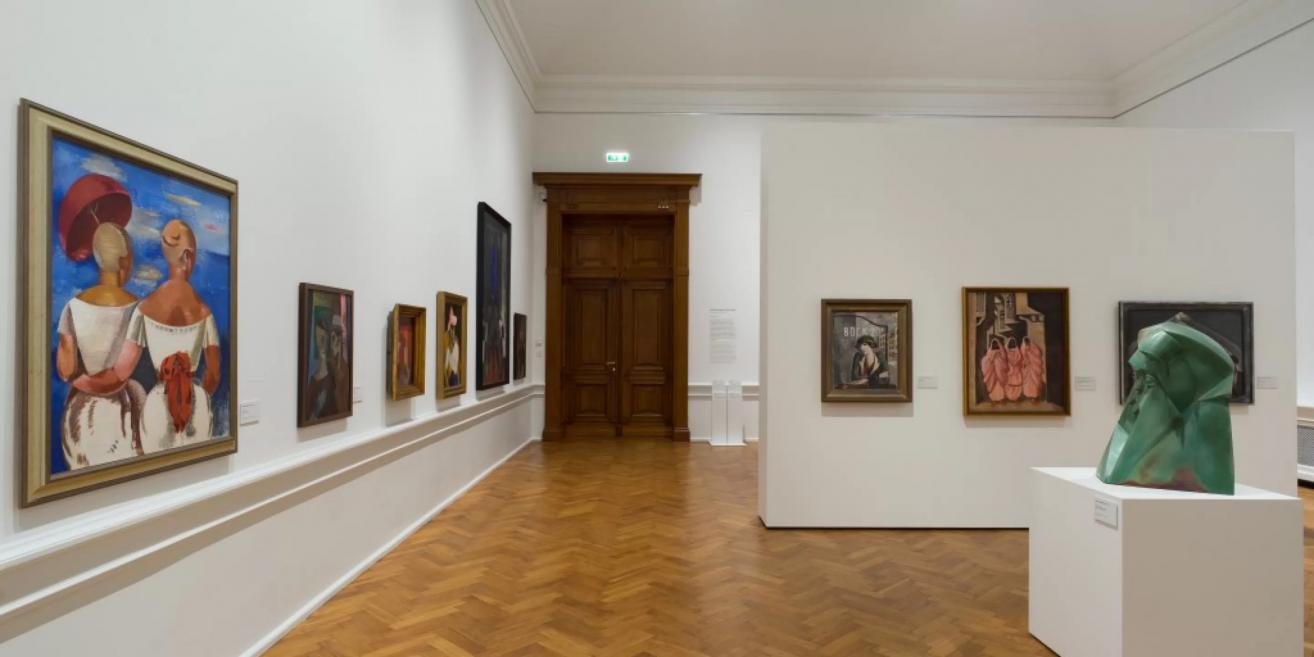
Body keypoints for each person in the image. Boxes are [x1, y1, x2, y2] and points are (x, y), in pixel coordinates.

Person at [88, 220, 220, 452]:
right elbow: (213, 374)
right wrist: (193, 394)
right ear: (189, 256)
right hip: (196, 405)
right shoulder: (204, 311)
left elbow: (120, 373)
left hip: (157, 404)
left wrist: (86, 381)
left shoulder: (144, 308)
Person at [56, 223, 145, 468]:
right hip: (120, 415)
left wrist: (80, 381)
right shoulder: (138, 309)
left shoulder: (73, 306)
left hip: (79, 410)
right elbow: (118, 377)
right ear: (125, 260)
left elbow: (65, 370)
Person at [444, 304, 461, 387]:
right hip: (450, 371)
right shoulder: (446, 335)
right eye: (451, 313)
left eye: (453, 313)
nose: (453, 316)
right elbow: (446, 354)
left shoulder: (455, 336)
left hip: (455, 371)